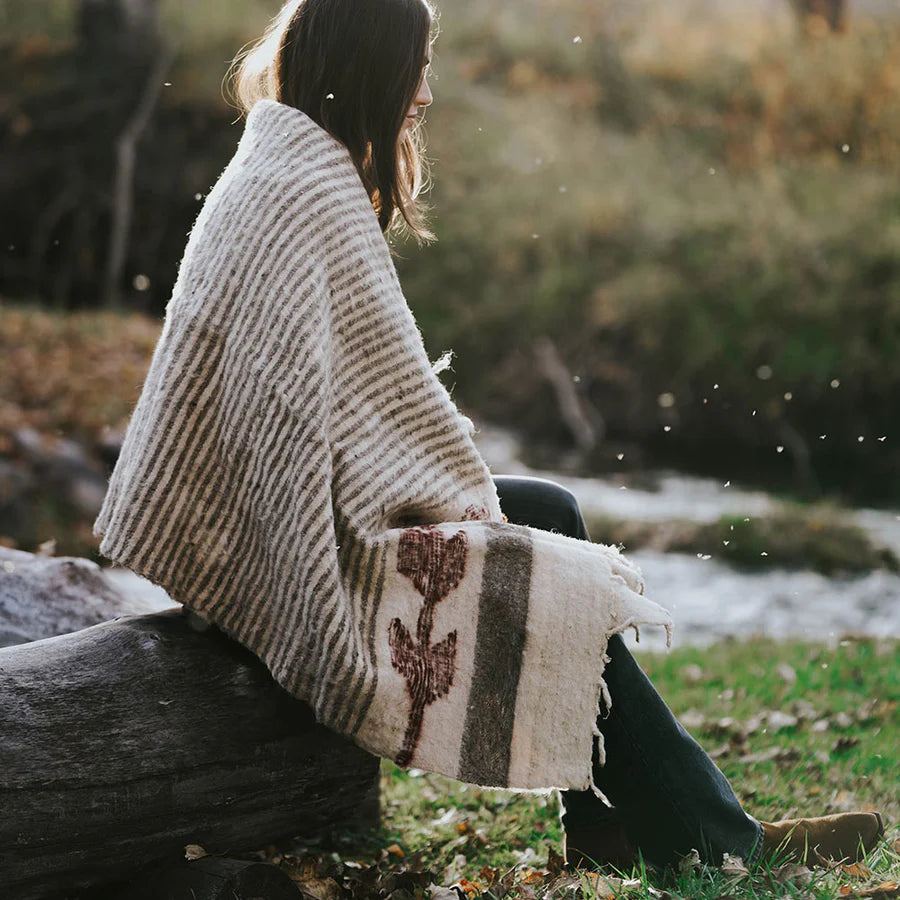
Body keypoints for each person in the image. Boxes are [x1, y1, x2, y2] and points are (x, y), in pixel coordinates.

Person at [93, 0, 884, 873]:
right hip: (286, 551)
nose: (425, 94)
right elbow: (358, 420)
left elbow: (355, 405)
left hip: (276, 523)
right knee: (540, 537)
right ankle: (708, 837)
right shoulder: (302, 191)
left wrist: (447, 489)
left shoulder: (280, 162)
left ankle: (613, 823)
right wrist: (459, 501)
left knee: (549, 512)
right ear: (368, 70)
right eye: (414, 68)